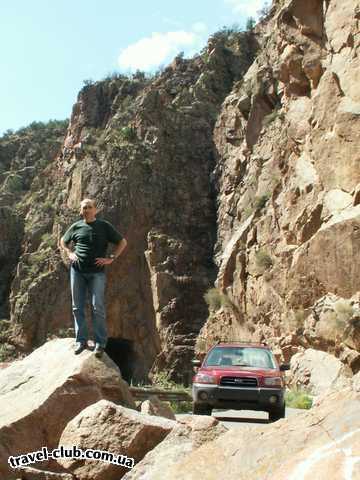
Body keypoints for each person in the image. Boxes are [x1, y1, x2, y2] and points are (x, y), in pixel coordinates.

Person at [60, 198, 127, 357]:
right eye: (84, 208)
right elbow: (63, 241)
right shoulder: (76, 226)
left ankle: (100, 343)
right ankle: (81, 341)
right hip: (77, 271)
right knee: (77, 307)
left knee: (98, 307)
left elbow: (122, 242)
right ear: (80, 211)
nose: (87, 210)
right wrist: (69, 252)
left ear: (95, 210)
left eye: (89, 207)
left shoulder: (104, 226)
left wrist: (111, 257)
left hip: (97, 273)